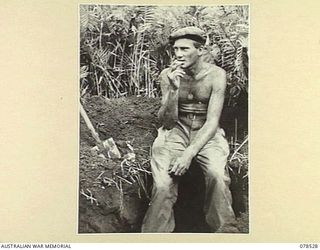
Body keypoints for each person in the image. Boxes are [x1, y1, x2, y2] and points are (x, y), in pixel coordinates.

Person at [141, 27, 238, 233]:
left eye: (184, 49)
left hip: (206, 132)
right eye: (175, 49)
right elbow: (166, 121)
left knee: (217, 175)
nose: (178, 54)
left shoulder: (216, 75)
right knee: (162, 185)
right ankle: (153, 238)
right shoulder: (167, 75)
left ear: (200, 50)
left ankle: (226, 233)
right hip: (175, 130)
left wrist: (188, 154)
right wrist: (173, 90)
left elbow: (212, 121)